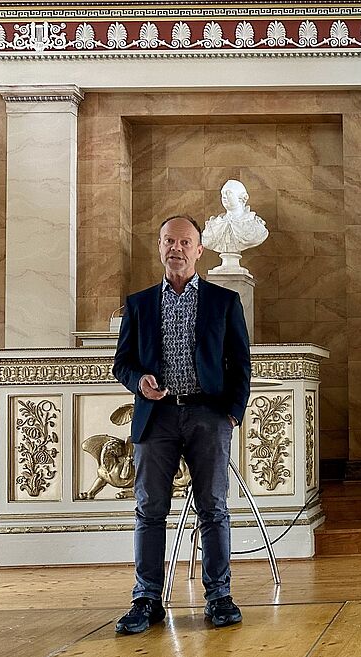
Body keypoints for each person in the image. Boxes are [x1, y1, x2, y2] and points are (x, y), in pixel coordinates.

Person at [112, 214, 251, 633]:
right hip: (157, 418)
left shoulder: (223, 302)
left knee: (213, 508)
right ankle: (146, 599)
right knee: (150, 510)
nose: (176, 248)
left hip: (208, 416)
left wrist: (232, 413)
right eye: (169, 241)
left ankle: (219, 597)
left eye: (184, 242)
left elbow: (240, 362)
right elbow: (122, 363)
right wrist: (140, 381)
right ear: (159, 247)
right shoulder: (138, 304)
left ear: (199, 250)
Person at [201, 179, 269, 255]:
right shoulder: (213, 225)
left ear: (242, 197)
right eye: (223, 193)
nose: (224, 197)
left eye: (228, 193)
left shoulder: (255, 226)